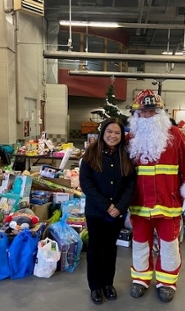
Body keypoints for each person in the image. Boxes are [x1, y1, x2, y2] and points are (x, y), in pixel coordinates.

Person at [126, 89, 185, 303]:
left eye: (152, 111)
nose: (147, 115)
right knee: (140, 242)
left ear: (160, 112)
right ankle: (140, 279)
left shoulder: (175, 135)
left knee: (169, 244)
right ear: (136, 114)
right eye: (143, 111)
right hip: (139, 203)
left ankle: (167, 282)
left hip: (168, 202)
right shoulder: (129, 138)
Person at [79, 117, 136, 305]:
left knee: (110, 249)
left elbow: (130, 184)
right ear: (103, 133)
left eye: (117, 133)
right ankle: (95, 286)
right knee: (95, 249)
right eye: (109, 131)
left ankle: (107, 284)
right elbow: (86, 183)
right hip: (96, 212)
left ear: (122, 135)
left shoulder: (126, 155)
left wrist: (119, 207)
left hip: (117, 213)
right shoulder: (91, 153)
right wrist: (106, 206)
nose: (113, 135)